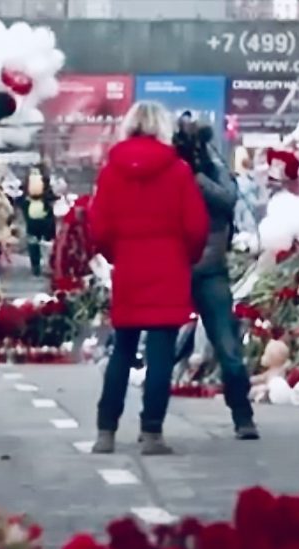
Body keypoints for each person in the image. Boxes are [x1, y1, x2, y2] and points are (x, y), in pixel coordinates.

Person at [88, 101, 210, 455]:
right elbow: (196, 226)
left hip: (129, 267)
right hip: (168, 267)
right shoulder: (178, 171)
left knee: (122, 351)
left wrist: (116, 255)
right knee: (160, 356)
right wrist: (185, 257)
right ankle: (152, 432)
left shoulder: (111, 171)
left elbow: (99, 226)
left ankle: (106, 431)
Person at [178, 123, 260, 440]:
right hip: (182, 266)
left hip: (208, 268)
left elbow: (228, 199)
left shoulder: (210, 169)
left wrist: (196, 177)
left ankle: (243, 414)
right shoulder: (177, 171)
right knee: (162, 344)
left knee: (227, 346)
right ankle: (151, 422)